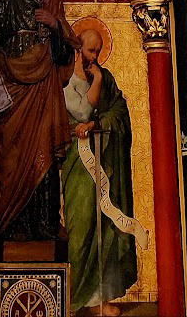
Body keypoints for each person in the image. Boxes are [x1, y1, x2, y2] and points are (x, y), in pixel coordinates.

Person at [0, 0, 76, 239]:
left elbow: (66, 52)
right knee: (12, 154)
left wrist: (55, 24)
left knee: (44, 152)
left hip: (43, 85)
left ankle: (46, 226)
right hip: (11, 81)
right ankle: (13, 226)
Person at [61, 27, 138, 316]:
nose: (93, 57)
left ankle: (97, 300)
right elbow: (73, 115)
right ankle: (71, 297)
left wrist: (99, 123)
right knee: (80, 226)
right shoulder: (64, 77)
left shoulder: (105, 79)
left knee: (104, 229)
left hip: (104, 162)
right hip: (76, 164)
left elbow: (120, 113)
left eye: (97, 51)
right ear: (77, 49)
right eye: (89, 50)